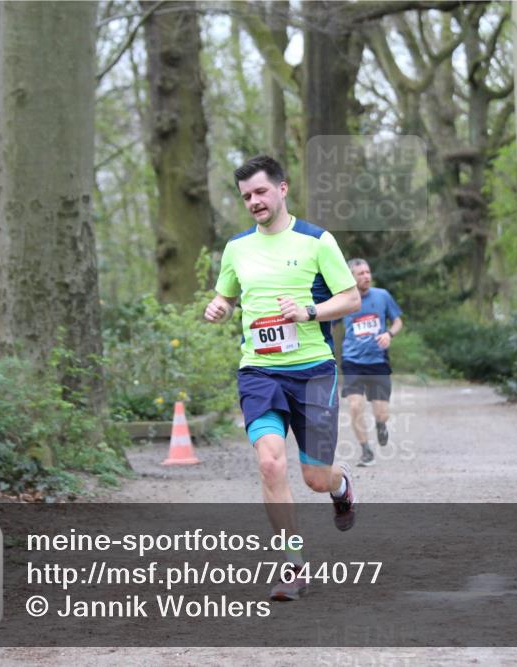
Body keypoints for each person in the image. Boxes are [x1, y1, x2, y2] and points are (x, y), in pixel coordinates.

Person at [203, 155, 361, 602]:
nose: (253, 201)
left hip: (312, 371)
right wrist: (218, 308)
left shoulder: (317, 241)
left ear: (282, 189)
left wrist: (309, 311)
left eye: (260, 192)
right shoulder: (237, 248)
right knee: (270, 462)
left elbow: (349, 298)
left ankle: (341, 484)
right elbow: (227, 296)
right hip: (259, 370)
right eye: (246, 196)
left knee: (315, 477)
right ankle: (292, 566)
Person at [339, 259, 403, 467]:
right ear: (351, 277)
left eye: (368, 272)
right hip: (352, 361)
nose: (366, 276)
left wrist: (389, 334)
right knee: (355, 405)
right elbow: (327, 321)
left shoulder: (382, 295)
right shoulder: (343, 299)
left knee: (382, 411)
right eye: (360, 273)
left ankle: (381, 424)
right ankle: (366, 450)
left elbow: (398, 321)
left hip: (378, 361)